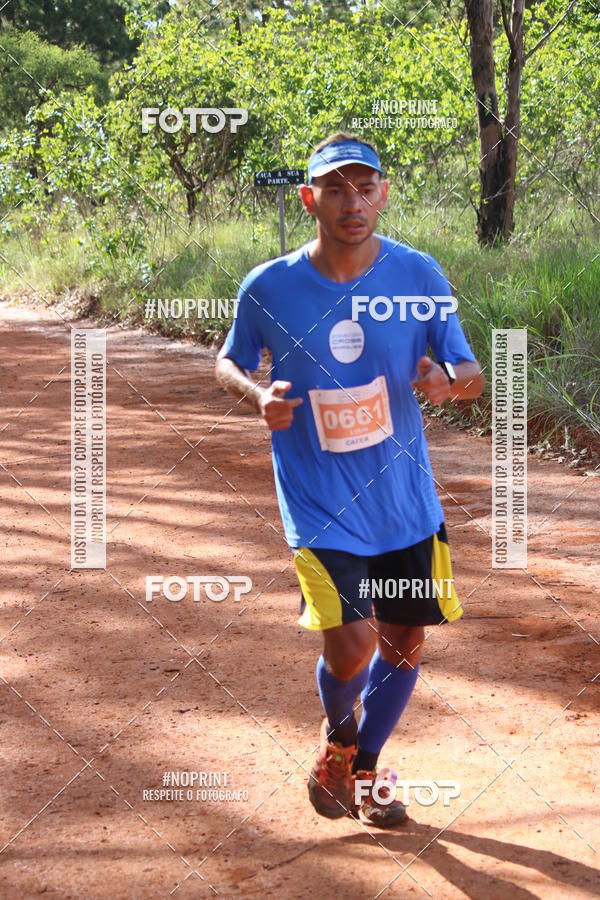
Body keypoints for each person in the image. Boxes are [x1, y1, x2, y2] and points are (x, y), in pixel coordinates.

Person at [215, 132, 484, 828]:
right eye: (335, 188)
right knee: (354, 641)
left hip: (404, 500)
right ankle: (341, 738)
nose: (352, 201)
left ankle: (360, 766)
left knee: (404, 641)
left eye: (365, 187)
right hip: (318, 500)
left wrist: (445, 384)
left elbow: (471, 374)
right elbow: (229, 360)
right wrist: (259, 399)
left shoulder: (419, 275)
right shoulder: (268, 286)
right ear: (310, 199)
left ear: (383, 194)